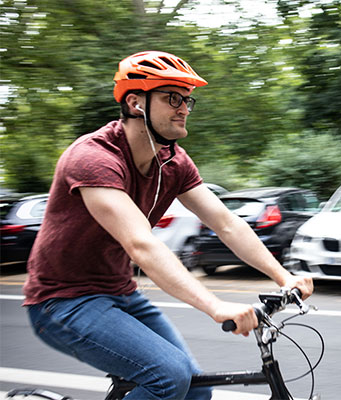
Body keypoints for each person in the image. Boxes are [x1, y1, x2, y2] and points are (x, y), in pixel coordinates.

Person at [23, 51, 313, 400]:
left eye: (187, 100)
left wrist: (283, 276)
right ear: (136, 102)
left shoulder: (173, 162)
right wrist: (216, 306)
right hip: (63, 302)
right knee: (169, 378)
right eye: (172, 97)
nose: (184, 108)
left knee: (196, 390)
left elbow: (226, 223)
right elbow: (141, 245)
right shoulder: (93, 158)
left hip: (120, 293)